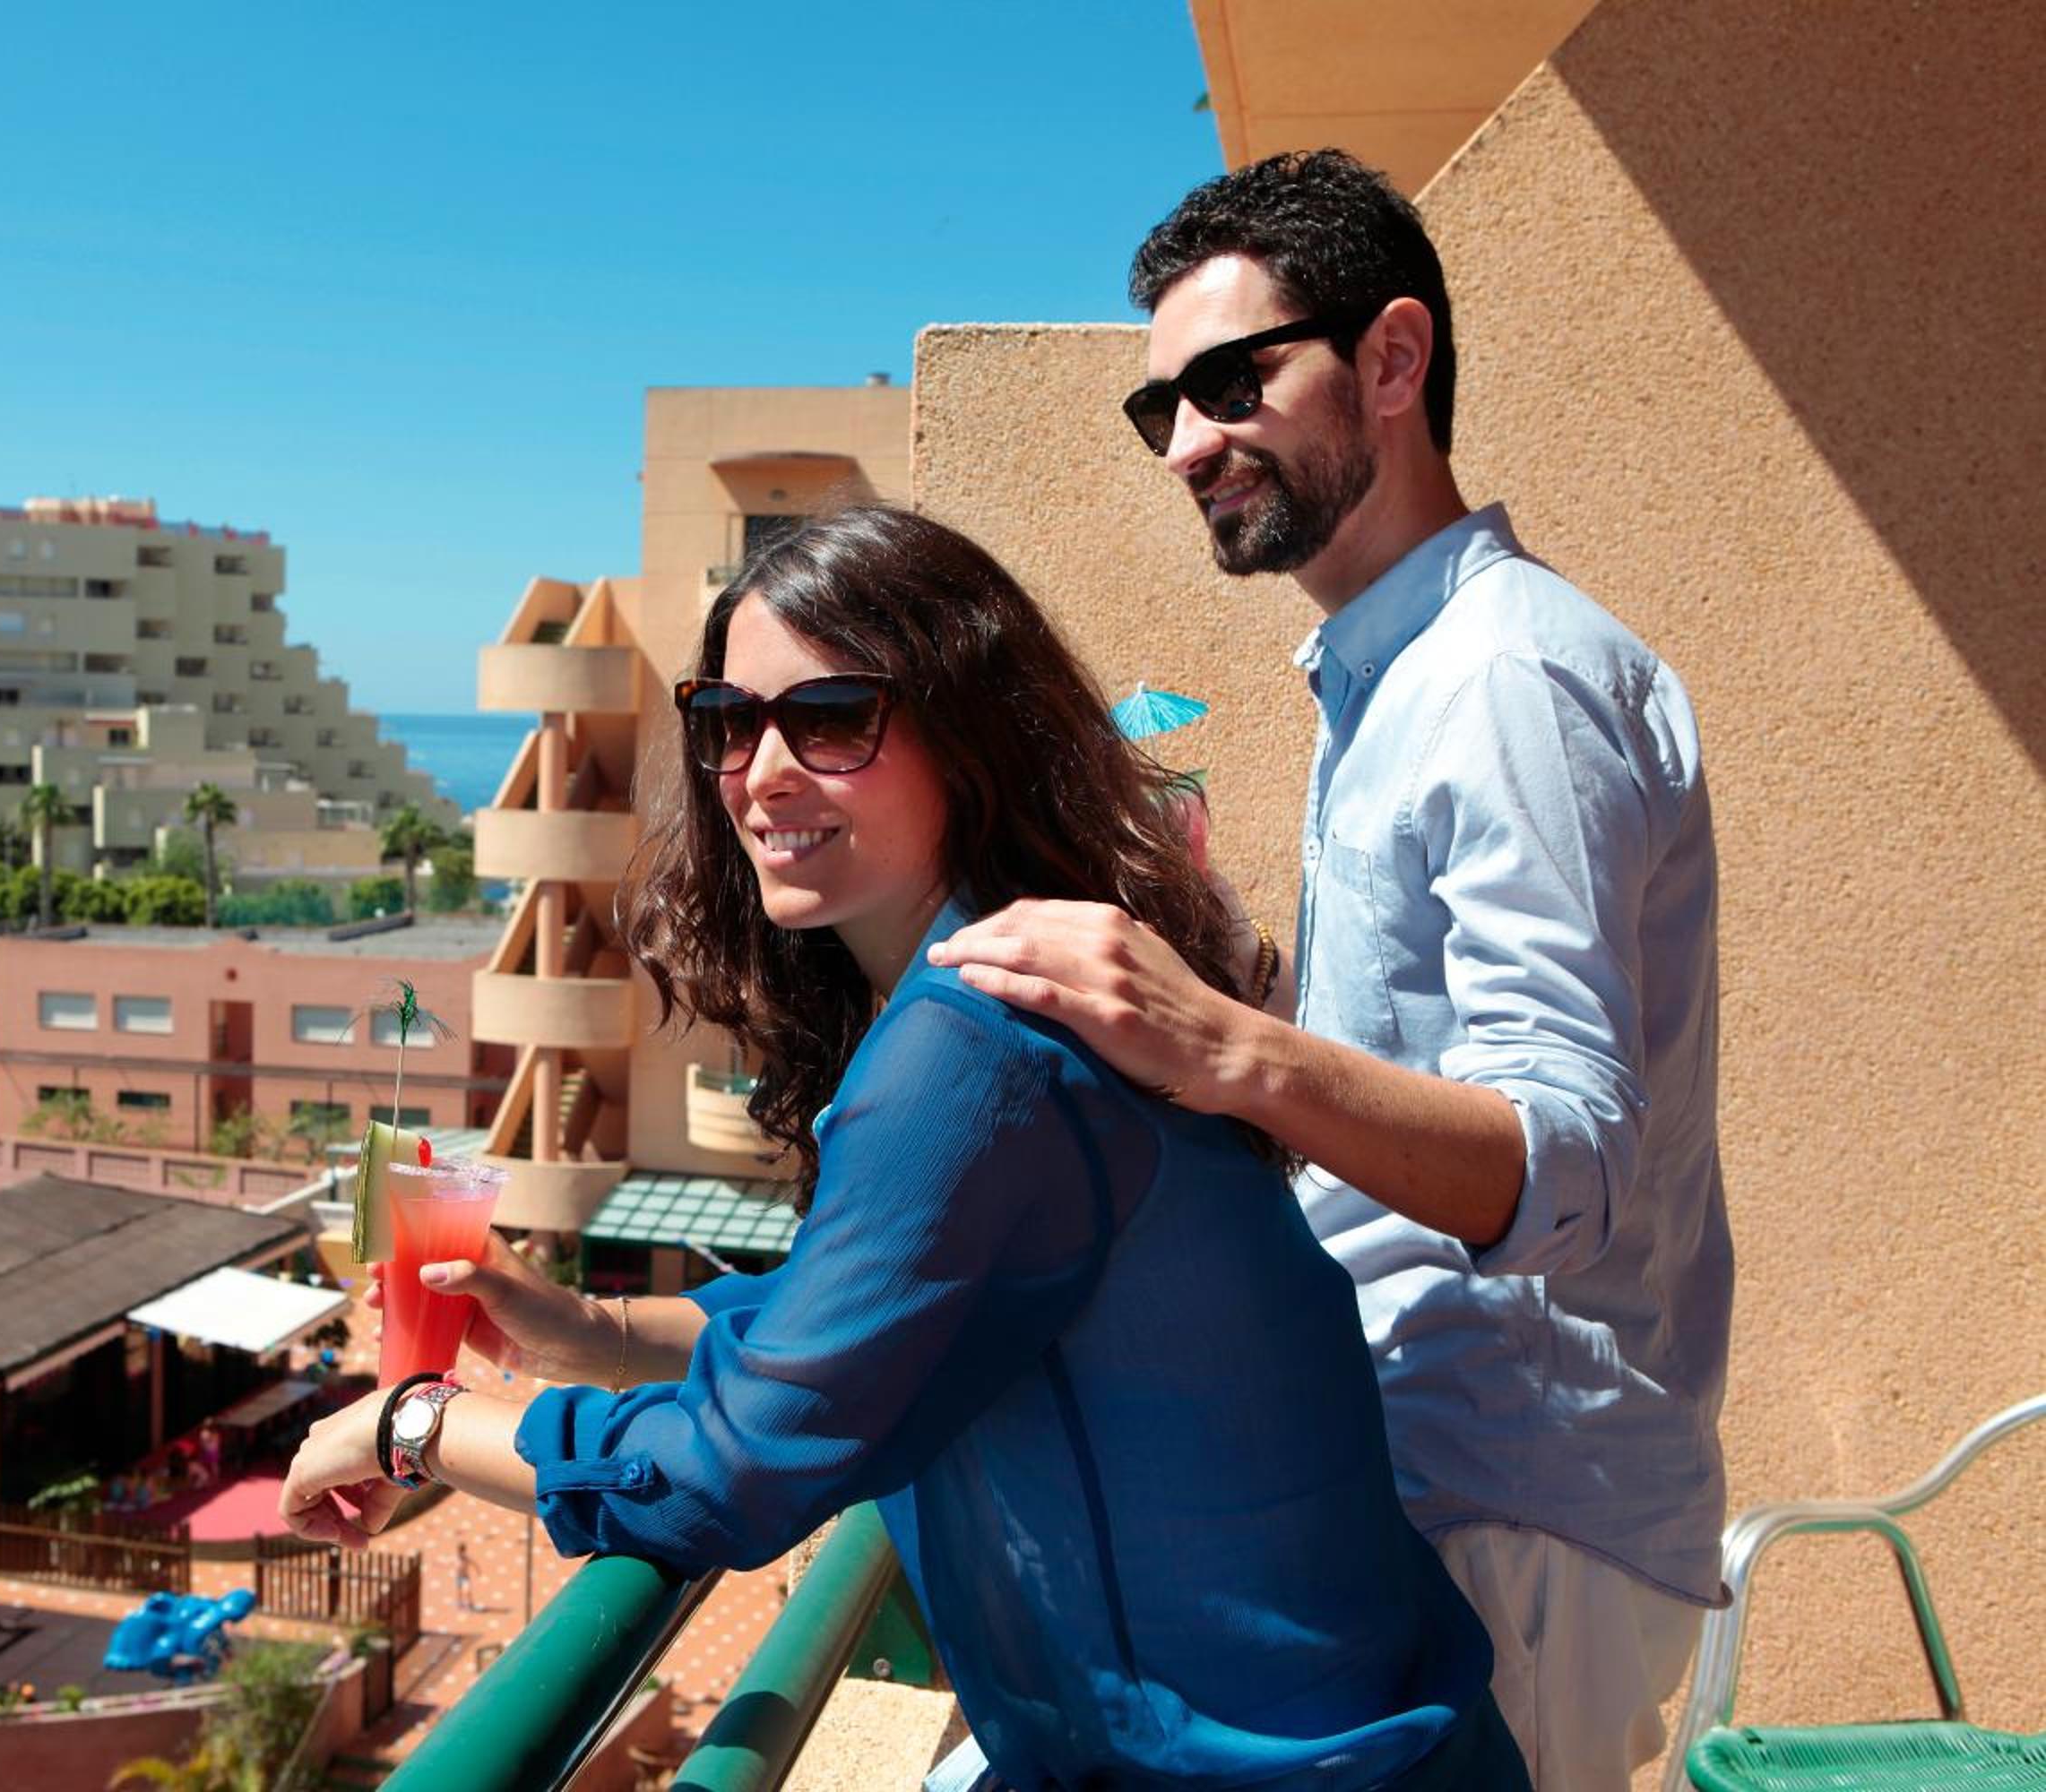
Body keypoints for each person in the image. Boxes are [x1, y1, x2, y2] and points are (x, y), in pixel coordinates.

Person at [283, 505, 1525, 1790]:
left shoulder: (972, 1041)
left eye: (831, 719)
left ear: (967, 735)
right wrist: (585, 1327)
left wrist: (411, 1423)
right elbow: (857, 1318)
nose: (763, 772)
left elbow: (733, 1470)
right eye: (729, 723)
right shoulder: (1003, 980)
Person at [928, 151, 1731, 1789]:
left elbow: (1564, 1161)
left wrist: (1218, 1043)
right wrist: (1247, 1002)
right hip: (1425, 1477)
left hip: (1513, 1510)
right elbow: (1423, 1066)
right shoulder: (1391, 680)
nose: (1187, 443)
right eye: (1159, 407)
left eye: (1232, 382)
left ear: (1392, 359)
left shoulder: (1504, 679)